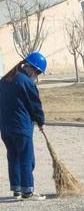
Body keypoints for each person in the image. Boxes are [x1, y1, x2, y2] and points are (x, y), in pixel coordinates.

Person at [0, 52, 47, 201]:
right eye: (38, 72)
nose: (37, 75)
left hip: (6, 128)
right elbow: (35, 105)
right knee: (27, 158)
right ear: (31, 68)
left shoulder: (4, 79)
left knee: (13, 157)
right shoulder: (26, 82)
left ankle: (17, 190)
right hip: (21, 127)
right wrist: (41, 122)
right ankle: (28, 192)